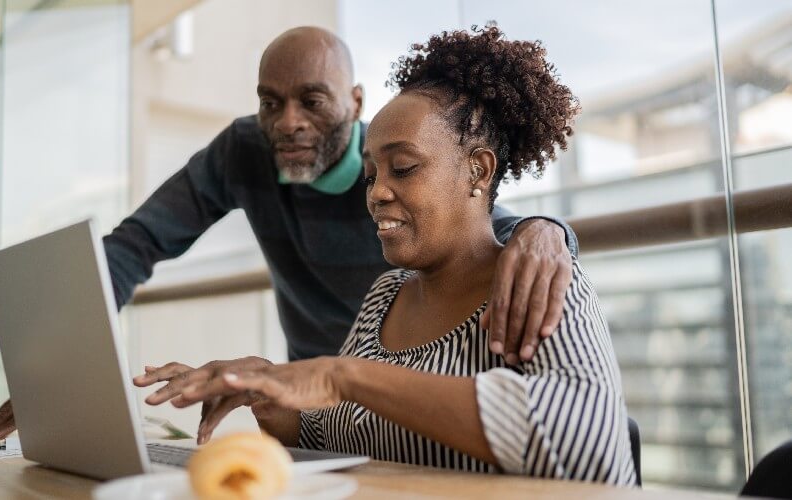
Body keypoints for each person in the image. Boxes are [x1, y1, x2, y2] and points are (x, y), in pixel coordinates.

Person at [0, 27, 578, 441]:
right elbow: (135, 245)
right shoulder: (245, 151)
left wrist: (548, 230)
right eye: (270, 103)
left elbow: (488, 228)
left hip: (408, 409)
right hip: (309, 415)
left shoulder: (402, 174)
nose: (287, 123)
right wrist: (55, 366)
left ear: (356, 100)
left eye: (312, 101)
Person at [144, 25, 635, 485]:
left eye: (402, 168)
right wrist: (267, 391)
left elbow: (586, 439)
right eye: (372, 175)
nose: (376, 194)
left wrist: (344, 375)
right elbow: (332, 434)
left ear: (478, 171)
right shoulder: (386, 294)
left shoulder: (537, 282)